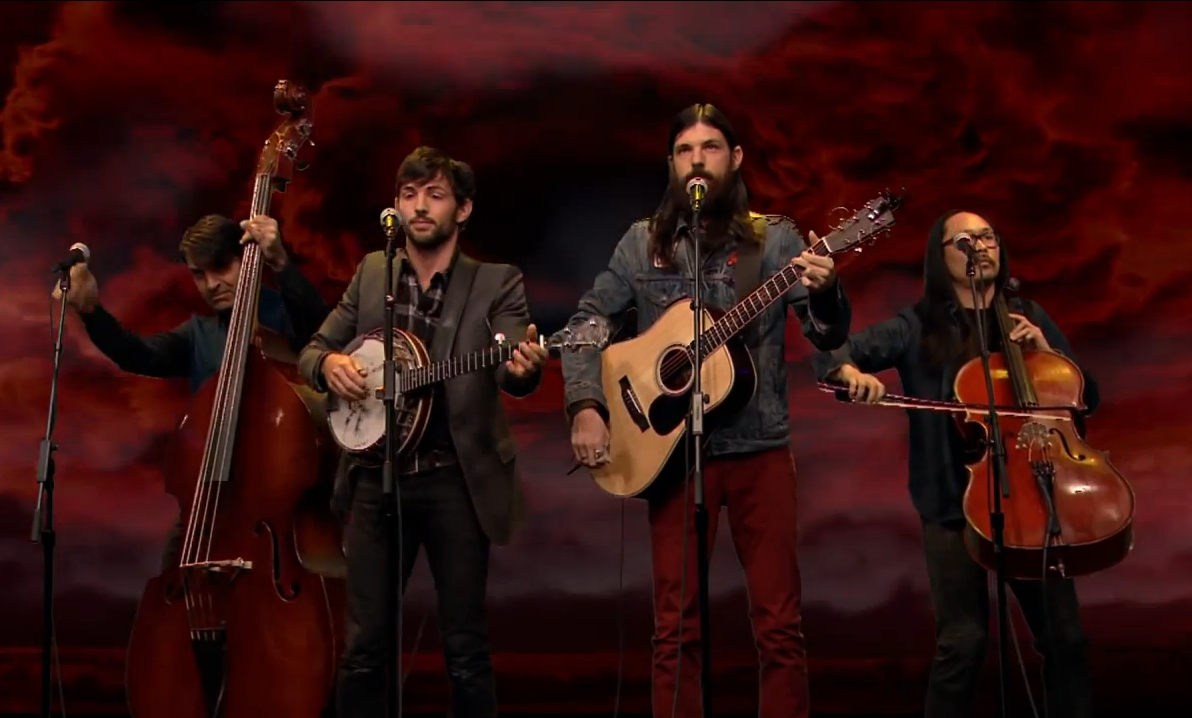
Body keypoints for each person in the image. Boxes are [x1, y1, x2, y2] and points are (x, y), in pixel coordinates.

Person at [561, 103, 852, 718]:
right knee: (674, 627)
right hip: (672, 456)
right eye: (686, 150)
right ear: (671, 164)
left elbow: (824, 336)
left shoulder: (775, 240)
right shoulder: (642, 242)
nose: (698, 159)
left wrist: (826, 292)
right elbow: (588, 323)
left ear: (736, 158)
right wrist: (587, 403)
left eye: (712, 147)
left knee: (778, 623)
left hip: (760, 449)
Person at [811, 209, 1096, 718]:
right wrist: (850, 372)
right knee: (962, 644)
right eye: (963, 240)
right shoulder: (917, 325)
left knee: (1066, 640)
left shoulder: (1026, 316)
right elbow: (837, 355)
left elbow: (1084, 399)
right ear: (940, 259)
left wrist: (1049, 352)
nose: (979, 246)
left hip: (1034, 499)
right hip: (953, 505)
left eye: (987, 236)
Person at [297, 146, 548, 718]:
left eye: (434, 194)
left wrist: (522, 368)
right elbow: (314, 349)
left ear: (462, 210)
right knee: (363, 648)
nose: (419, 206)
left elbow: (515, 364)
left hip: (454, 482)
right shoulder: (371, 274)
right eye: (409, 195)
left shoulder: (496, 283)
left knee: (464, 648)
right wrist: (328, 367)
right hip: (373, 478)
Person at [55, 213, 330, 569]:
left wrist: (280, 261)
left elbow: (321, 332)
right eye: (199, 274)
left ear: (247, 259)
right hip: (211, 497)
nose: (212, 283)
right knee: (174, 592)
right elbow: (138, 354)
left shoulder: (286, 311)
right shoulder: (198, 333)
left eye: (220, 267)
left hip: (281, 500)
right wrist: (91, 311)